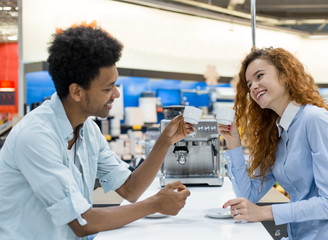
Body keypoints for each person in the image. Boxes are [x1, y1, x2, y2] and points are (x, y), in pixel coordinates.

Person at [0, 23, 192, 240]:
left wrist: (165, 141)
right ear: (77, 92)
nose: (116, 95)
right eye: (108, 88)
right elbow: (82, 222)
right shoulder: (36, 136)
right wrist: (155, 203)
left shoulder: (87, 129)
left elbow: (130, 190)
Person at [219, 47, 328, 240]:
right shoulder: (277, 133)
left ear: (285, 76)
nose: (253, 87)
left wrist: (265, 212)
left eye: (260, 76)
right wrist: (234, 143)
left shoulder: (314, 119)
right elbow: (249, 196)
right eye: (249, 83)